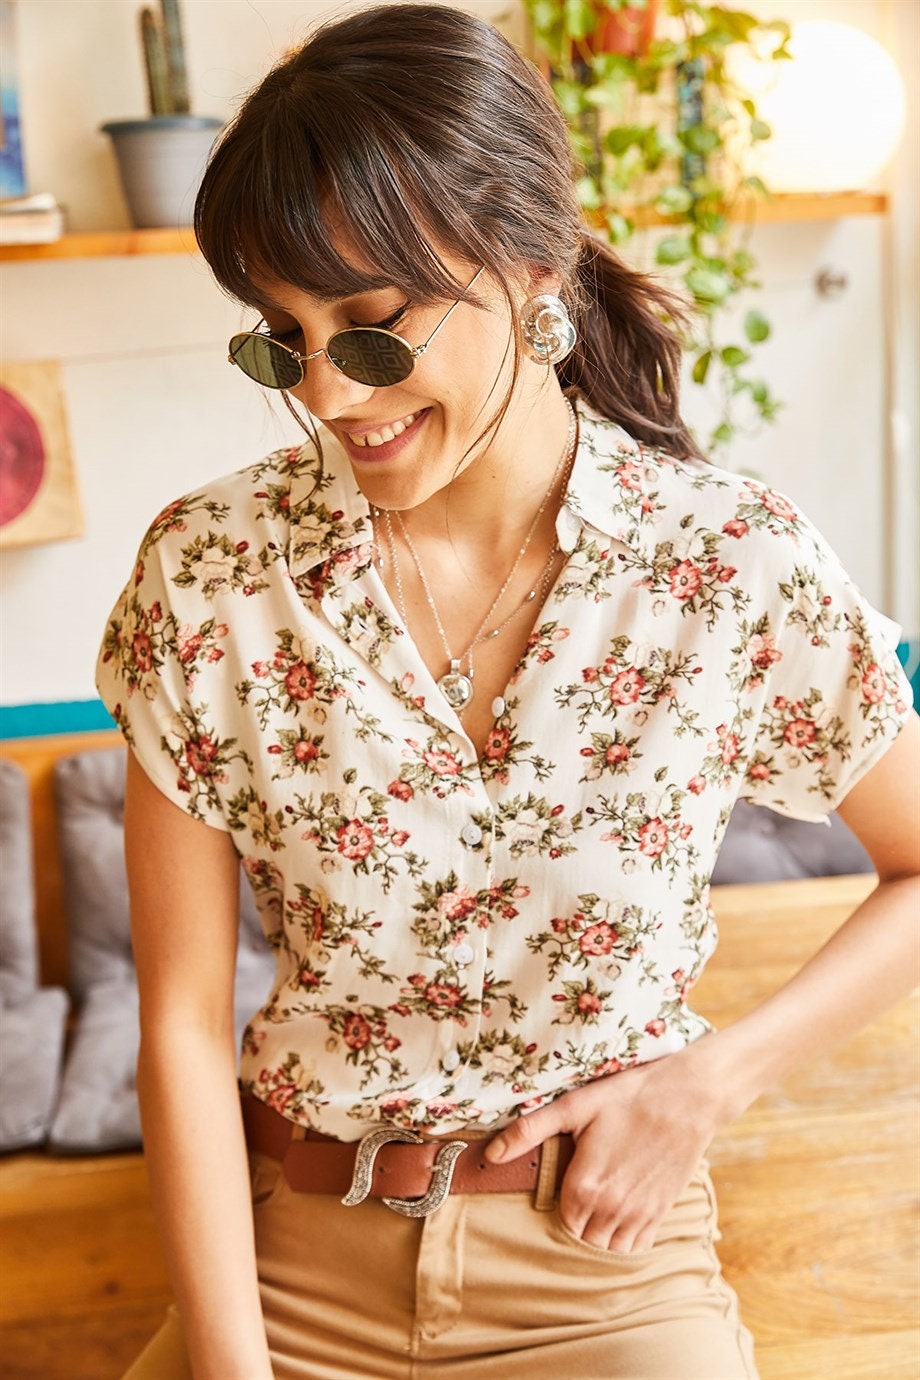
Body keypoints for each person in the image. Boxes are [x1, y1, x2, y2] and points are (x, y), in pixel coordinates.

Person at [96, 5, 919, 1378]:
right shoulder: (212, 571)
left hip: (605, 1269)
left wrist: (708, 1083)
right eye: (280, 338)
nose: (326, 394)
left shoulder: (728, 564)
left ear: (532, 265)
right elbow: (180, 1026)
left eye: (372, 331)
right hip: (293, 1261)